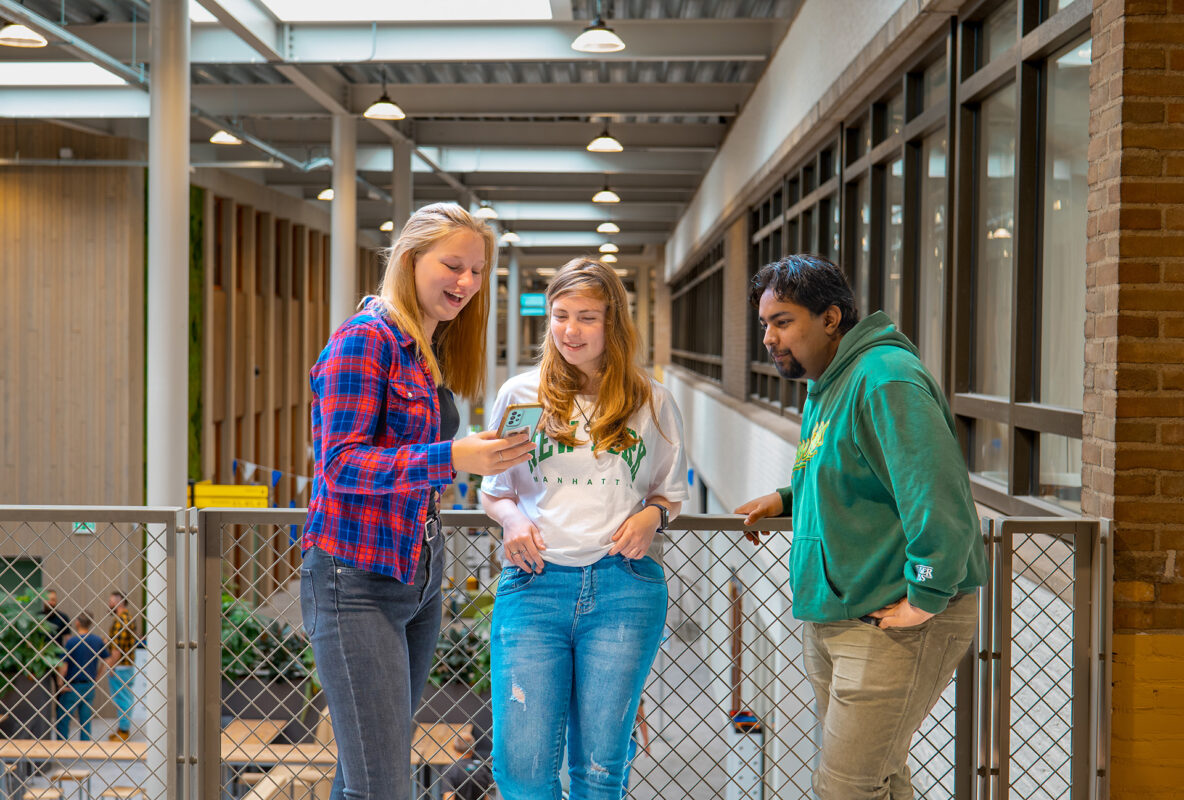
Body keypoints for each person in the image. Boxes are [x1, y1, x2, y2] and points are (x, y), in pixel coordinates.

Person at [299, 203, 535, 800]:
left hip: (418, 578)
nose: (466, 283)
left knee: (363, 777)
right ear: (409, 260)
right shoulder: (365, 340)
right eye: (452, 265)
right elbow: (340, 466)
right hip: (354, 582)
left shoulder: (424, 347)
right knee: (383, 787)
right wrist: (453, 457)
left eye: (478, 271)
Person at [734, 254, 988, 799]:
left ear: (830, 318)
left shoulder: (883, 379)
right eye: (765, 325)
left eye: (783, 322)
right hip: (838, 615)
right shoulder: (830, 383)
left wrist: (925, 594)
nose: (770, 339)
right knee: (881, 778)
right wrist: (785, 498)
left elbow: (936, 496)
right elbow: (854, 467)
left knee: (846, 789)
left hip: (893, 619)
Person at [480, 258, 689, 800]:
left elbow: (671, 493)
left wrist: (652, 516)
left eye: (587, 317)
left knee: (601, 771)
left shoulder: (651, 400)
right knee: (521, 771)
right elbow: (494, 488)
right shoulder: (521, 397)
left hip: (623, 588)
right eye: (560, 315)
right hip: (534, 586)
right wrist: (512, 518)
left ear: (612, 323)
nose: (570, 330)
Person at [56, 613, 108, 741]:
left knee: (63, 718)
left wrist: (60, 683)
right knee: (86, 719)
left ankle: (61, 746)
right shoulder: (97, 641)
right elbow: (107, 659)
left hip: (73, 685)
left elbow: (65, 665)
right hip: (89, 685)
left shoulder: (72, 642)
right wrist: (97, 677)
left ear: (77, 622)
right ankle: (85, 747)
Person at [106, 590, 137, 741]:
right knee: (124, 697)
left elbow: (117, 647)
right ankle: (122, 729)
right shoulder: (128, 618)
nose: (109, 604)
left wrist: (111, 665)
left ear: (119, 602)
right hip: (126, 664)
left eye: (111, 601)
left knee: (122, 699)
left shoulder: (121, 620)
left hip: (120, 666)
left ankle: (124, 731)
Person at [441, 725, 493, 800]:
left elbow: (449, 797)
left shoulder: (450, 770)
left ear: (454, 747)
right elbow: (486, 797)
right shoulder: (482, 769)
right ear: (473, 748)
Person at [620, 698, 650, 795]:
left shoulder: (633, 692)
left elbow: (641, 719)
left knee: (624, 775)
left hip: (630, 740)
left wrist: (646, 742)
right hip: (610, 741)